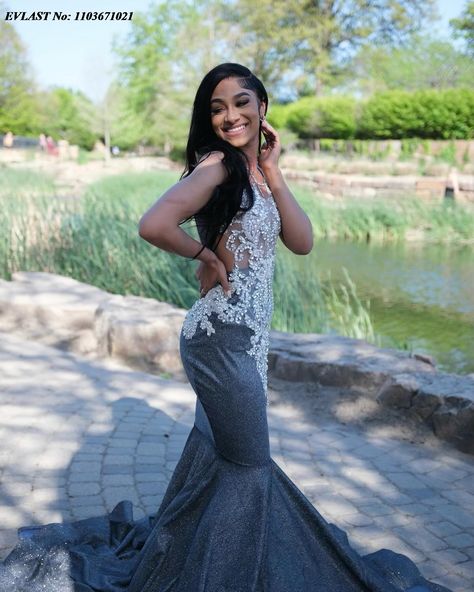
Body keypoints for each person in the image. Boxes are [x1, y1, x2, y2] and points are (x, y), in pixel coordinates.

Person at [0, 64, 452, 592]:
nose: (230, 115)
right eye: (217, 108)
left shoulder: (256, 172)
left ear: (263, 106)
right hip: (219, 340)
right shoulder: (216, 167)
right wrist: (206, 257)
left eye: (241, 102)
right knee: (250, 467)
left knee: (215, 460)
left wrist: (274, 169)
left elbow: (302, 241)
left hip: (247, 342)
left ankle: (185, 562)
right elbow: (154, 223)